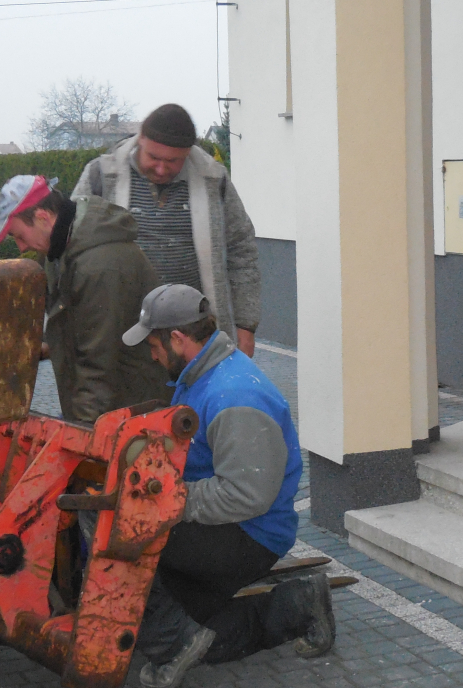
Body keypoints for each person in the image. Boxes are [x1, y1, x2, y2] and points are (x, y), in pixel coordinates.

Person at [120, 284, 333, 688]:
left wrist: (167, 501)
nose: (152, 355)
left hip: (250, 534)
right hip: (225, 525)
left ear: (178, 339)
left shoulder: (234, 395)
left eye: (154, 346)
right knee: (185, 626)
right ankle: (300, 604)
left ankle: (175, 643)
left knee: (126, 539)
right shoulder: (200, 375)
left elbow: (245, 496)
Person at [72, 103, 262, 357]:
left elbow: (242, 251)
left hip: (194, 339)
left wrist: (245, 326)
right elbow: (72, 248)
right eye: (153, 157)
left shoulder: (213, 181)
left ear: (188, 152)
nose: (161, 169)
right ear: (140, 139)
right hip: (120, 336)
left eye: (173, 161)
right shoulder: (101, 176)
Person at [0, 174, 170, 422]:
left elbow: (98, 364)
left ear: (43, 218)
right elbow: (71, 322)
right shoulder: (61, 249)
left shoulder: (99, 267)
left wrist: (79, 432)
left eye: (20, 236)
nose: (21, 247)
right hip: (107, 403)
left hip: (131, 408)